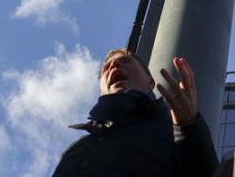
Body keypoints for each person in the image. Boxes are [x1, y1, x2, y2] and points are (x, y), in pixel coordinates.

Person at [52, 49, 218, 177]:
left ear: (150, 82)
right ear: (101, 88)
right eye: (106, 68)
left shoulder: (173, 130)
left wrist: (189, 125)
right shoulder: (75, 149)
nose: (114, 66)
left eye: (124, 61)